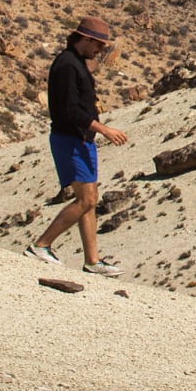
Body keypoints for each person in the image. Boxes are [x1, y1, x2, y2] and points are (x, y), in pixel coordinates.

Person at [26, 15, 128, 276]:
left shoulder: (77, 63)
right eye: (99, 45)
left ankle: (92, 261)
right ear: (85, 39)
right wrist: (103, 129)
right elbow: (70, 109)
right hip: (70, 139)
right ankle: (41, 245)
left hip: (81, 139)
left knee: (89, 200)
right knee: (87, 199)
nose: (101, 51)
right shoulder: (68, 66)